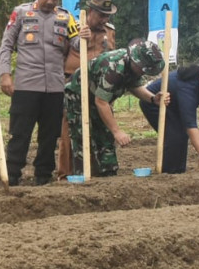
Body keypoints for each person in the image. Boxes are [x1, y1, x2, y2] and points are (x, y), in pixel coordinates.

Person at [0, 0, 78, 186]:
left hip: (54, 87)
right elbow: (6, 45)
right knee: (20, 133)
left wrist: (85, 36)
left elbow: (78, 43)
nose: (50, 2)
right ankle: (12, 176)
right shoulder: (21, 13)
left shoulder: (66, 17)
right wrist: (5, 75)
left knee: (49, 136)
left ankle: (43, 176)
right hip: (26, 85)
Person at [65, 40, 165, 176]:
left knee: (105, 133)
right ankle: (82, 175)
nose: (143, 72)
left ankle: (108, 173)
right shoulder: (114, 67)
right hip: (78, 94)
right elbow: (101, 102)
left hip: (99, 96)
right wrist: (117, 131)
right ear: (135, 61)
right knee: (82, 134)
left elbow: (134, 86)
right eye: (142, 68)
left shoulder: (134, 69)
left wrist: (153, 99)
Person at [58, 0, 118, 178]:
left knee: (101, 129)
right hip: (73, 88)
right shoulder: (74, 28)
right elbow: (61, 55)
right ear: (91, 11)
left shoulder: (109, 31)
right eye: (101, 15)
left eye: (107, 16)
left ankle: (98, 171)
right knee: (70, 131)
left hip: (100, 89)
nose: (104, 19)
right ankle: (66, 173)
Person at [142, 63, 199, 174]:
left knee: (182, 136)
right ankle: (167, 174)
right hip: (153, 102)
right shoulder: (187, 89)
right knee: (174, 136)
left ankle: (179, 172)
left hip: (173, 104)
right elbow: (190, 126)